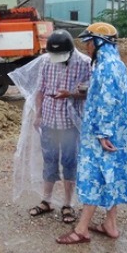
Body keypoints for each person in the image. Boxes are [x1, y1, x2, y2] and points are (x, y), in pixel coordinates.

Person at [56, 22, 127, 245]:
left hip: (104, 134)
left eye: (89, 43)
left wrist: (103, 133)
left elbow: (108, 101)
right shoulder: (113, 63)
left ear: (100, 42)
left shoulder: (107, 66)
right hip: (112, 132)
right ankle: (110, 224)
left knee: (96, 176)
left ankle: (81, 229)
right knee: (109, 175)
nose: (87, 48)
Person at [10, 29, 91, 224]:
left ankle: (68, 204)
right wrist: (38, 115)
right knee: (50, 161)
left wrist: (70, 94)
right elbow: (40, 90)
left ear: (70, 51)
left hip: (71, 123)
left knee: (70, 163)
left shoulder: (85, 64)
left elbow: (90, 93)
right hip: (49, 120)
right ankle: (46, 201)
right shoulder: (46, 61)